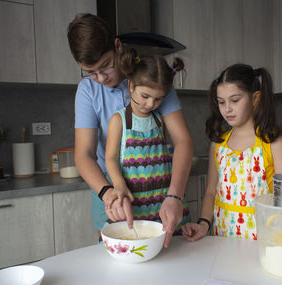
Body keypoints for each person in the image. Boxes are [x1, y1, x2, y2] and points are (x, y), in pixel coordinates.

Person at [67, 13, 193, 247]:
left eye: (105, 66)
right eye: (90, 72)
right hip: (109, 185)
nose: (100, 78)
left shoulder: (153, 78)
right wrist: (109, 193)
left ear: (117, 46)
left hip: (160, 186)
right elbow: (84, 155)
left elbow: (183, 141)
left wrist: (174, 195)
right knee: (119, 253)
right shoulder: (87, 91)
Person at [182, 63, 282, 241]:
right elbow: (211, 191)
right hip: (222, 236)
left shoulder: (272, 142)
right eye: (221, 102)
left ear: (255, 98)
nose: (227, 108)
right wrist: (204, 224)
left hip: (261, 239)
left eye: (235, 100)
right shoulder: (219, 144)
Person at [105, 49, 191, 233]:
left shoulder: (160, 118)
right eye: (145, 96)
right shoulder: (118, 120)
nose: (151, 104)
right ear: (130, 86)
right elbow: (110, 158)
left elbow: (180, 145)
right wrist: (119, 185)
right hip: (135, 204)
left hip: (162, 203)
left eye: (158, 99)